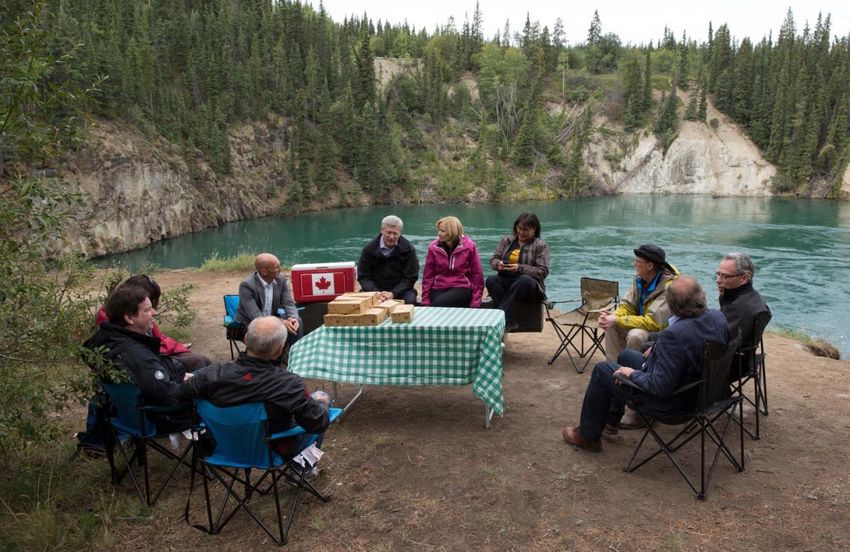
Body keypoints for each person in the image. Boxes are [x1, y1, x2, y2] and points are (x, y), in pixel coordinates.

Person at [561, 276, 730, 452]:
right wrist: (658, 345)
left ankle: (587, 437)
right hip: (704, 392)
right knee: (627, 355)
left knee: (602, 370)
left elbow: (660, 386)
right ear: (701, 297)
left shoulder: (674, 335)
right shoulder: (717, 317)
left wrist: (633, 374)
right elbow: (691, 340)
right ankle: (611, 422)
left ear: (671, 306)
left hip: (674, 404)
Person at [177, 316, 330, 458]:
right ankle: (301, 468)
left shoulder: (211, 375)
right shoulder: (288, 384)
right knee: (321, 397)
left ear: (245, 339)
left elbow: (180, 394)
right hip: (273, 450)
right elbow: (318, 423)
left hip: (223, 447)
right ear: (279, 349)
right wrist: (323, 403)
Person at [84, 285, 193, 433]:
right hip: (157, 418)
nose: (154, 313)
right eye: (147, 310)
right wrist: (197, 385)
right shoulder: (135, 354)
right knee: (215, 385)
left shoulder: (105, 340)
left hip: (125, 414)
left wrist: (180, 375)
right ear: (129, 318)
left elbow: (150, 377)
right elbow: (168, 394)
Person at [95, 275, 210, 371]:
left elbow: (157, 338)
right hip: (148, 362)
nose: (154, 312)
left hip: (151, 357)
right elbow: (143, 351)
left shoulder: (136, 314)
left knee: (201, 361)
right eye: (148, 308)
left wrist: (179, 348)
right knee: (199, 362)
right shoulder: (115, 319)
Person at [599, 244, 679, 362]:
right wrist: (614, 316)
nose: (634, 264)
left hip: (660, 332)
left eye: (637, 262)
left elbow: (653, 322)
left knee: (635, 335)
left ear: (650, 266)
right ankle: (613, 366)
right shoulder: (640, 280)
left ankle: (632, 369)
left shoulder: (669, 287)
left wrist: (618, 320)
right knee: (611, 326)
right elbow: (627, 305)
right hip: (642, 323)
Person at [485, 212, 550, 332]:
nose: (521, 232)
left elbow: (543, 271)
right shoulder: (507, 240)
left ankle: (499, 319)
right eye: (519, 228)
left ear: (534, 230)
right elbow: (493, 259)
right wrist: (498, 264)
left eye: (525, 230)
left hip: (530, 286)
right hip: (508, 280)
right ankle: (509, 321)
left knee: (524, 280)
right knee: (491, 281)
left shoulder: (540, 245)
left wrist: (520, 268)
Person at [716, 252, 772, 379]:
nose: (718, 280)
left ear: (744, 278)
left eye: (725, 276)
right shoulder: (749, 298)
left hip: (729, 365)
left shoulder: (742, 307)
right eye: (718, 274)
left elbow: (720, 343)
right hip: (741, 359)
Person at [236, 253, 301, 347]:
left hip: (272, 317)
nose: (280, 270)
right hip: (251, 322)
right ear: (264, 271)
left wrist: (293, 318)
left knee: (297, 321)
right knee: (266, 330)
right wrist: (281, 322)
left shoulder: (280, 279)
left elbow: (288, 303)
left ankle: (295, 351)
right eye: (276, 267)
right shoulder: (247, 286)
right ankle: (274, 354)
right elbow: (256, 316)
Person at [420, 216, 485, 308]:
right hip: (438, 287)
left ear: (452, 232)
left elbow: (477, 275)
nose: (438, 233)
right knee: (437, 304)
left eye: (442, 231)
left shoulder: (469, 246)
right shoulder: (433, 247)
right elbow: (428, 275)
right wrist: (425, 299)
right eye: (439, 230)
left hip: (462, 287)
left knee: (438, 304)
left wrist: (475, 301)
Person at [357, 215, 419, 304]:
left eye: (395, 233)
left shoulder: (408, 249)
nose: (391, 237)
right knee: (363, 303)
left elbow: (410, 277)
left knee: (410, 301)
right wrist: (377, 293)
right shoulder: (369, 249)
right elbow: (364, 277)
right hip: (375, 290)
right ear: (381, 230)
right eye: (388, 232)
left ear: (400, 232)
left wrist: (393, 293)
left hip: (400, 291)